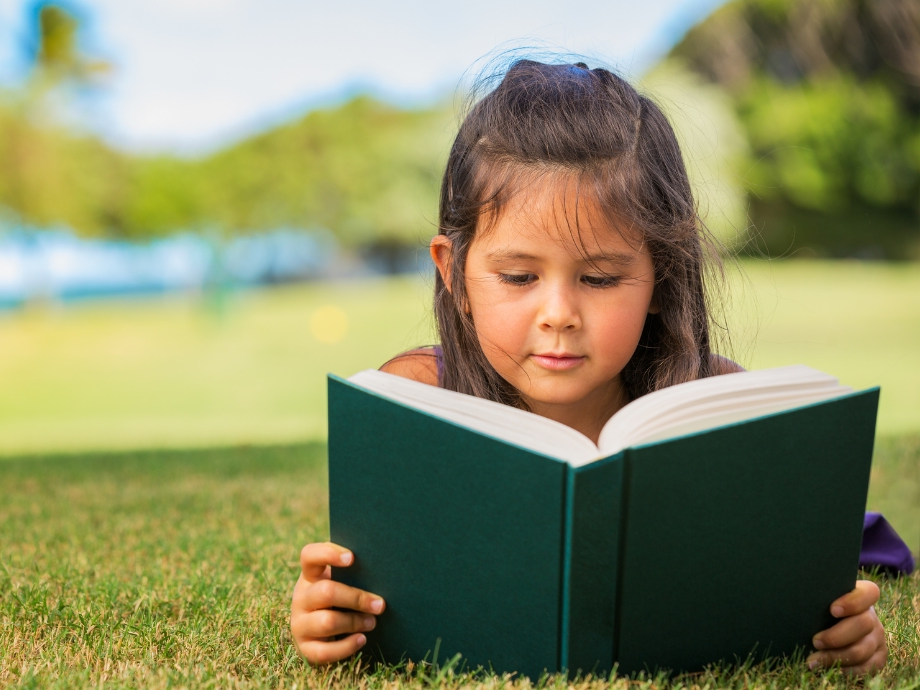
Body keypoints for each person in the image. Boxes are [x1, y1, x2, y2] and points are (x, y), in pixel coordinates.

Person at [289, 60, 888, 674]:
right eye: (519, 276)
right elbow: (359, 579)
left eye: (600, 278)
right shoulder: (413, 398)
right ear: (453, 273)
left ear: (661, 275)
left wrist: (845, 627)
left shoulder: (712, 400)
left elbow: (789, 584)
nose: (559, 314)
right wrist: (326, 614)